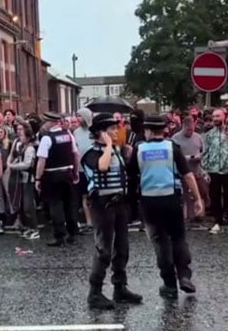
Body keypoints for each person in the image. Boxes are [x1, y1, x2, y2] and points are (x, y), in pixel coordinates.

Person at [126, 114, 203, 299]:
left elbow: (130, 176)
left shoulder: (139, 149)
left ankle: (169, 284)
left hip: (149, 202)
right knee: (178, 238)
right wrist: (198, 198)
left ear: (150, 131)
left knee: (160, 242)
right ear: (163, 130)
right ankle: (184, 276)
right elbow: (188, 175)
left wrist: (129, 204)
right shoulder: (172, 147)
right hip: (172, 199)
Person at [81, 113, 142, 309]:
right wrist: (108, 146)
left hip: (119, 205)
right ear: (101, 133)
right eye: (112, 129)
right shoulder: (91, 153)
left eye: (117, 128)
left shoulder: (117, 151)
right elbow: (103, 167)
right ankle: (95, 293)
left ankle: (120, 287)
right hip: (102, 205)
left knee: (122, 249)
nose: (117, 131)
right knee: (103, 250)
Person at [35, 111, 81, 247]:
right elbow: (76, 154)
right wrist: (76, 171)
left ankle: (59, 235)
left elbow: (41, 161)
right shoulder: (68, 135)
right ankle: (73, 234)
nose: (44, 125)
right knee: (70, 205)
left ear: (51, 123)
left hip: (52, 175)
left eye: (46, 122)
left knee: (55, 206)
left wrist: (38, 178)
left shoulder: (47, 138)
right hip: (68, 173)